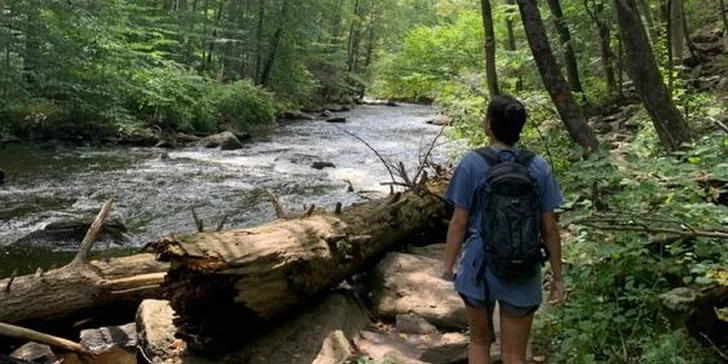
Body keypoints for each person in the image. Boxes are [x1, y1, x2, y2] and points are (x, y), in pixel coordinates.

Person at [441, 95, 565, 364]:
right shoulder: (538, 166)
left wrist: (448, 268)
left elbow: (459, 221)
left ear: (489, 125)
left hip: (478, 267)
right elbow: (550, 228)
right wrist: (558, 277)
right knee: (513, 354)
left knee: (479, 342)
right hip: (523, 265)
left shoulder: (471, 163)